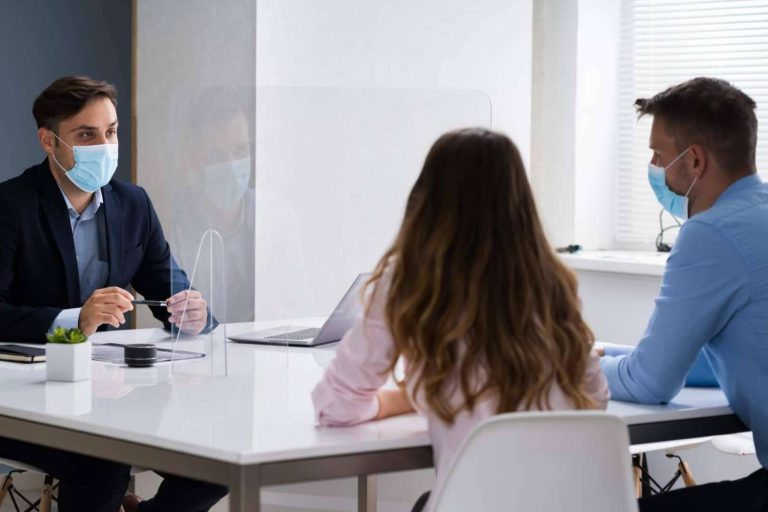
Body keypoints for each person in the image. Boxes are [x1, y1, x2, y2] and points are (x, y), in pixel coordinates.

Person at [311, 128, 610, 512]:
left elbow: (335, 407)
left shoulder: (412, 281)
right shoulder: (554, 283)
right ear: (521, 204)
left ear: (427, 203)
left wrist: (405, 399)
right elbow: (595, 400)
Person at [0, 75, 226, 511]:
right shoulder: (11, 205)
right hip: (24, 399)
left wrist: (194, 313)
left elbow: (171, 288)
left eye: (111, 132)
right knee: (102, 462)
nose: (104, 146)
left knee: (213, 458)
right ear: (48, 141)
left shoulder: (133, 204)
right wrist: (76, 321)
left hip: (111, 395)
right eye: (86, 135)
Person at [599, 77, 768, 511]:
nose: (654, 168)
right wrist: (609, 354)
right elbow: (725, 360)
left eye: (658, 155)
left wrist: (566, 368)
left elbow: (650, 382)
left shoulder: (711, 234)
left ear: (694, 160)